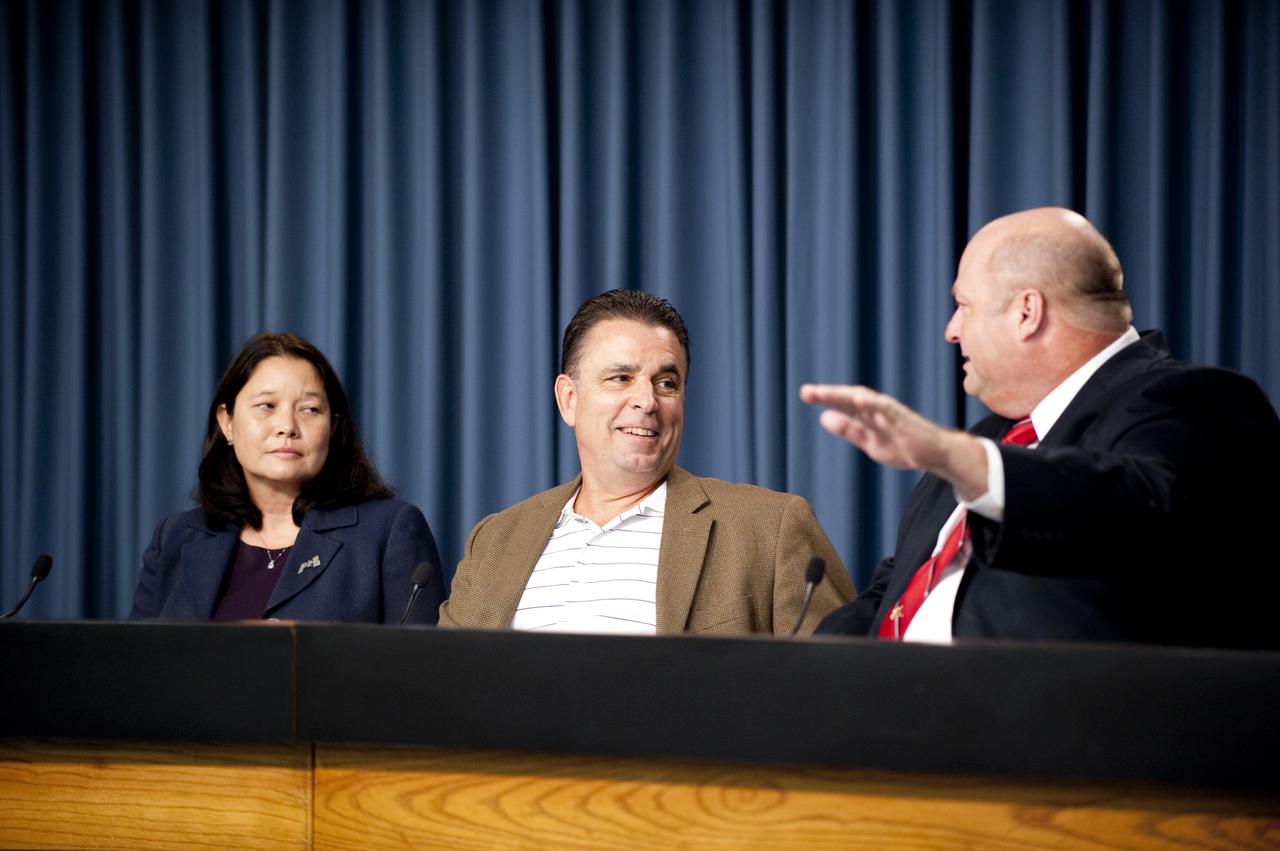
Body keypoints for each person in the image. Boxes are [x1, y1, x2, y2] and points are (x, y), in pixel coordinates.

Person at [802, 207, 1280, 648]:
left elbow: (1136, 510)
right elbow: (893, 595)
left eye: (963, 305)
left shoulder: (1197, 401)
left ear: (1026, 313)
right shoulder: (985, 439)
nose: (951, 330)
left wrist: (958, 459)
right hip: (892, 705)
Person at [440, 289, 854, 635]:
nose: (647, 400)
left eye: (666, 383)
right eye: (621, 378)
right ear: (569, 399)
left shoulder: (770, 528)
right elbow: (446, 687)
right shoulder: (495, 541)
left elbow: (838, 687)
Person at [131, 332, 443, 623]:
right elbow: (136, 658)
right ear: (227, 423)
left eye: (309, 409)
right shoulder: (176, 537)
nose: (287, 427)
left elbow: (418, 661)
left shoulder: (387, 532)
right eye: (266, 406)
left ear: (333, 427)